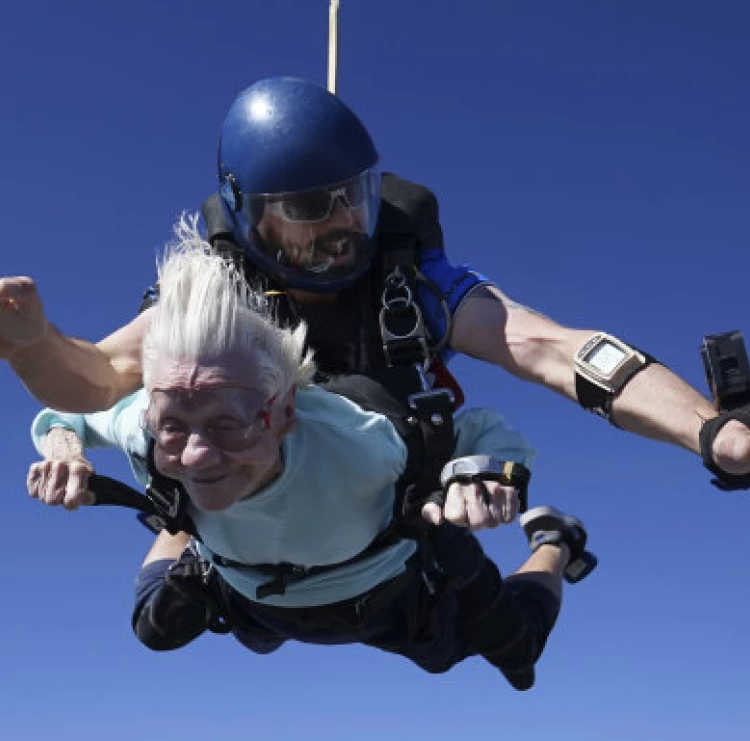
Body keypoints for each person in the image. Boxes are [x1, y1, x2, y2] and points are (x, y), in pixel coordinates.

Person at [2, 75, 748, 507]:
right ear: (246, 214)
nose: (337, 230)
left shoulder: (409, 278)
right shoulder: (219, 289)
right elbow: (95, 381)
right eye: (301, 210)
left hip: (390, 510)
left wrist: (712, 433)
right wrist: (33, 344)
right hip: (248, 506)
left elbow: (556, 350)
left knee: (462, 616)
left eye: (351, 199)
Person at [28, 234, 595, 690]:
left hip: (386, 592)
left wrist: (484, 470)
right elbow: (68, 413)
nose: (197, 449)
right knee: (155, 627)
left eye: (229, 424)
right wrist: (64, 451)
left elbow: (485, 431)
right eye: (174, 424)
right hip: (249, 591)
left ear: (283, 413)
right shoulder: (147, 423)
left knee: (517, 651)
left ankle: (553, 541)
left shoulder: (363, 442)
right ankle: (186, 525)